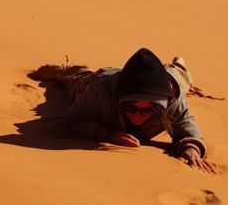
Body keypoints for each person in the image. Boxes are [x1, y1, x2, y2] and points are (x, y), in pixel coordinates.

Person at [30, 48, 215, 174]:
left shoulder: (173, 101)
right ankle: (65, 70)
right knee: (77, 81)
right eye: (130, 107)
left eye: (148, 110)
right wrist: (108, 134)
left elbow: (187, 128)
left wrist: (192, 149)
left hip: (166, 79)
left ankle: (178, 65)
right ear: (120, 101)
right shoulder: (100, 90)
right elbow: (73, 120)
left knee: (181, 77)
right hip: (104, 78)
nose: (137, 114)